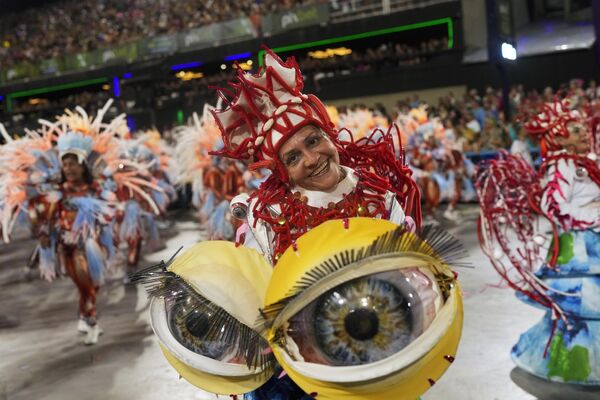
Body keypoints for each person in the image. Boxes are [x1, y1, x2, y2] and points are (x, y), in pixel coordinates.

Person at [211, 49, 420, 263]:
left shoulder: (377, 196)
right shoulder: (268, 217)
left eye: (313, 141)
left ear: (330, 137)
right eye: (293, 158)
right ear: (283, 172)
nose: (311, 159)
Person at [477, 99, 600, 384]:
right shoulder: (560, 166)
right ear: (559, 136)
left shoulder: (582, 163)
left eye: (583, 128)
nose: (584, 133)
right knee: (581, 310)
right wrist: (593, 216)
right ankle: (578, 364)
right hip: (579, 252)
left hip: (592, 245)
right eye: (576, 129)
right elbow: (556, 209)